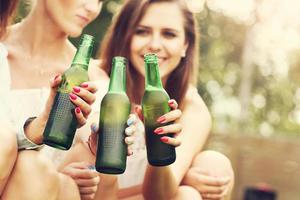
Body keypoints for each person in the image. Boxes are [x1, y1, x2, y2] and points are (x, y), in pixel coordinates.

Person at [98, 0, 234, 199]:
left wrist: (161, 154)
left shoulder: (192, 107)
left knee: (213, 164)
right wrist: (184, 178)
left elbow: (160, 195)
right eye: (142, 31)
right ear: (124, 37)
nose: (154, 45)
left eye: (169, 34)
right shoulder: (97, 79)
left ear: (185, 45)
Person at [0, 0, 135, 199]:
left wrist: (62, 180)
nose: (92, 8)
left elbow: (103, 190)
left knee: (41, 171)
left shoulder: (94, 85)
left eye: (99, 1)